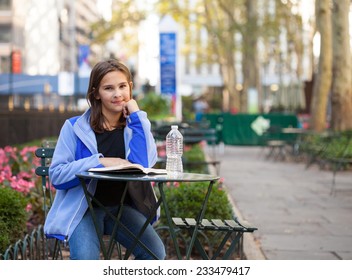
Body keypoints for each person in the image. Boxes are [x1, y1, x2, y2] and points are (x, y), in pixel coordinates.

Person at [44, 59, 166, 260]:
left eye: (122, 86)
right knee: (85, 262)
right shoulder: (74, 127)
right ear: (96, 93)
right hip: (84, 210)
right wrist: (99, 162)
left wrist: (137, 115)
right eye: (109, 88)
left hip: (121, 209)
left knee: (156, 255)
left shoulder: (133, 126)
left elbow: (143, 164)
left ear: (130, 88)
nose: (117, 94)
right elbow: (57, 175)